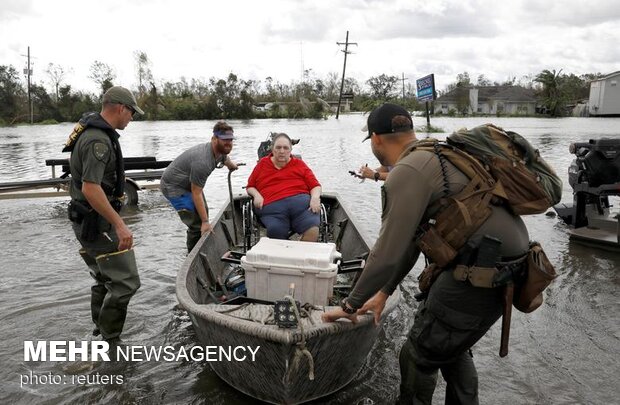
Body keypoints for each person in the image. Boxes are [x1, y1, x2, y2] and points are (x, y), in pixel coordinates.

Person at [322, 103, 530, 404]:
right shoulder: (438, 153)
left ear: (376, 139)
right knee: (450, 350)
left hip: (480, 273)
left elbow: (386, 253)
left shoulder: (406, 171)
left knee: (418, 354)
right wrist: (384, 292)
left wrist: (351, 305)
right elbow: (410, 243)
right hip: (505, 267)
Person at [64, 86, 144, 344]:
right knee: (125, 283)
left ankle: (100, 332)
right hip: (95, 224)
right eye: (131, 112)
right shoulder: (98, 140)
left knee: (104, 277)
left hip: (89, 221)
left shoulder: (92, 132)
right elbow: (90, 188)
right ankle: (111, 341)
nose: (132, 117)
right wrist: (120, 225)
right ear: (121, 107)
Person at [160, 121, 238, 252]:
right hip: (174, 187)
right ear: (214, 139)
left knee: (204, 213)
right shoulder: (203, 162)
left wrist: (231, 165)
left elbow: (224, 158)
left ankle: (202, 245)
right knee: (197, 225)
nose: (228, 143)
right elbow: (196, 193)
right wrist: (205, 222)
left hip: (189, 184)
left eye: (230, 140)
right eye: (225, 140)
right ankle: (192, 256)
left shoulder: (220, 151)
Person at [246, 133, 322, 241]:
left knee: (312, 228)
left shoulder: (299, 164)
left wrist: (315, 198)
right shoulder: (262, 164)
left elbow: (315, 185)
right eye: (278, 147)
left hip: (302, 208)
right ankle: (285, 253)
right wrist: (256, 195)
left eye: (285, 148)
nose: (282, 151)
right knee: (275, 231)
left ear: (290, 150)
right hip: (273, 209)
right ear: (272, 149)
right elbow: (250, 186)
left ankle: (298, 255)